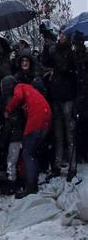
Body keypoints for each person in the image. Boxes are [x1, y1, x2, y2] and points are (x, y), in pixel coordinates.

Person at [3, 75, 51, 197]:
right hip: (47, 116)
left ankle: (30, 186)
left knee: (27, 153)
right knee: (32, 152)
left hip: (37, 117)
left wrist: (8, 109)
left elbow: (18, 96)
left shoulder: (20, 86)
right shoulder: (31, 90)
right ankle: (33, 183)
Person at [40, 29, 78, 181]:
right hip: (56, 97)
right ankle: (57, 166)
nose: (60, 37)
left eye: (63, 35)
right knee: (58, 134)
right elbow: (44, 62)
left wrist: (53, 50)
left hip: (68, 97)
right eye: (59, 34)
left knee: (70, 134)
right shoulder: (55, 49)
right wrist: (46, 45)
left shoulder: (70, 52)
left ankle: (72, 166)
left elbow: (63, 66)